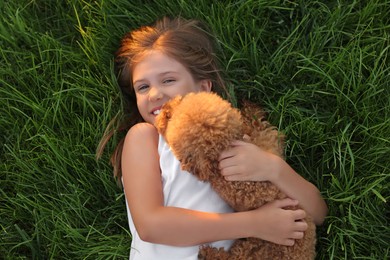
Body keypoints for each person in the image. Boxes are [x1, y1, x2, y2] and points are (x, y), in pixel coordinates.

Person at [97, 16, 328, 259]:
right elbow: (150, 225)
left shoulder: (232, 142)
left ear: (204, 87)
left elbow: (318, 212)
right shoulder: (145, 137)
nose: (154, 94)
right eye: (142, 87)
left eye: (168, 80)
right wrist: (254, 223)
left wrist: (273, 168)